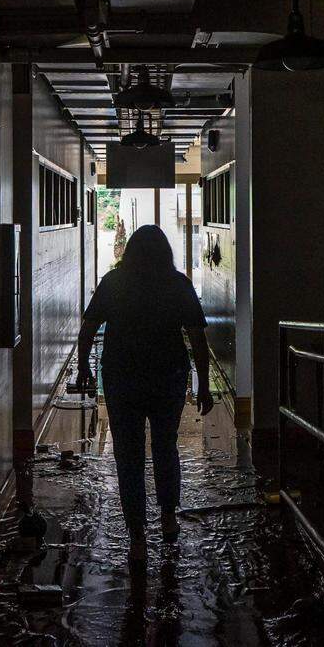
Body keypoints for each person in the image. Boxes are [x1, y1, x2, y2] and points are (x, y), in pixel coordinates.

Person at [75, 225, 213, 563]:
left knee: (128, 456)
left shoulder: (113, 282)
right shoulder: (178, 284)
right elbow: (197, 339)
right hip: (168, 377)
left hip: (122, 379)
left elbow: (88, 328)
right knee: (166, 445)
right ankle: (167, 517)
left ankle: (137, 537)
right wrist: (204, 385)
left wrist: (84, 368)